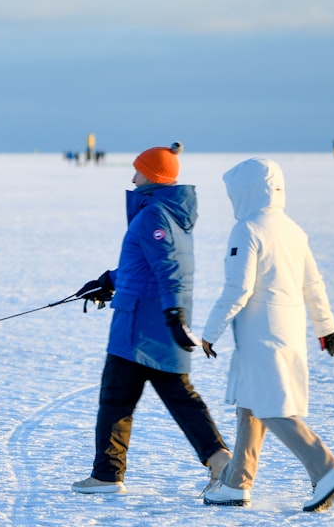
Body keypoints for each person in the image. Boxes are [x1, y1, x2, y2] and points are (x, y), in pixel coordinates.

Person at [72, 143, 232, 494]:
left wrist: (174, 314)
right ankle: (220, 463)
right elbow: (145, 265)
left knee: (116, 399)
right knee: (179, 397)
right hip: (149, 324)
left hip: (141, 329)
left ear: (153, 176)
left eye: (138, 170)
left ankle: (107, 475)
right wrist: (107, 282)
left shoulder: (154, 215)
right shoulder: (167, 213)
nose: (133, 176)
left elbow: (169, 268)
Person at [200, 158, 334, 511]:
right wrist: (326, 329)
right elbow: (313, 283)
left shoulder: (248, 229)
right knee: (251, 403)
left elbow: (237, 289)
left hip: (261, 334)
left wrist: (209, 333)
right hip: (289, 330)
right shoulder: (293, 230)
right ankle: (236, 483)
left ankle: (326, 469)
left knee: (270, 406)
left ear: (246, 190)